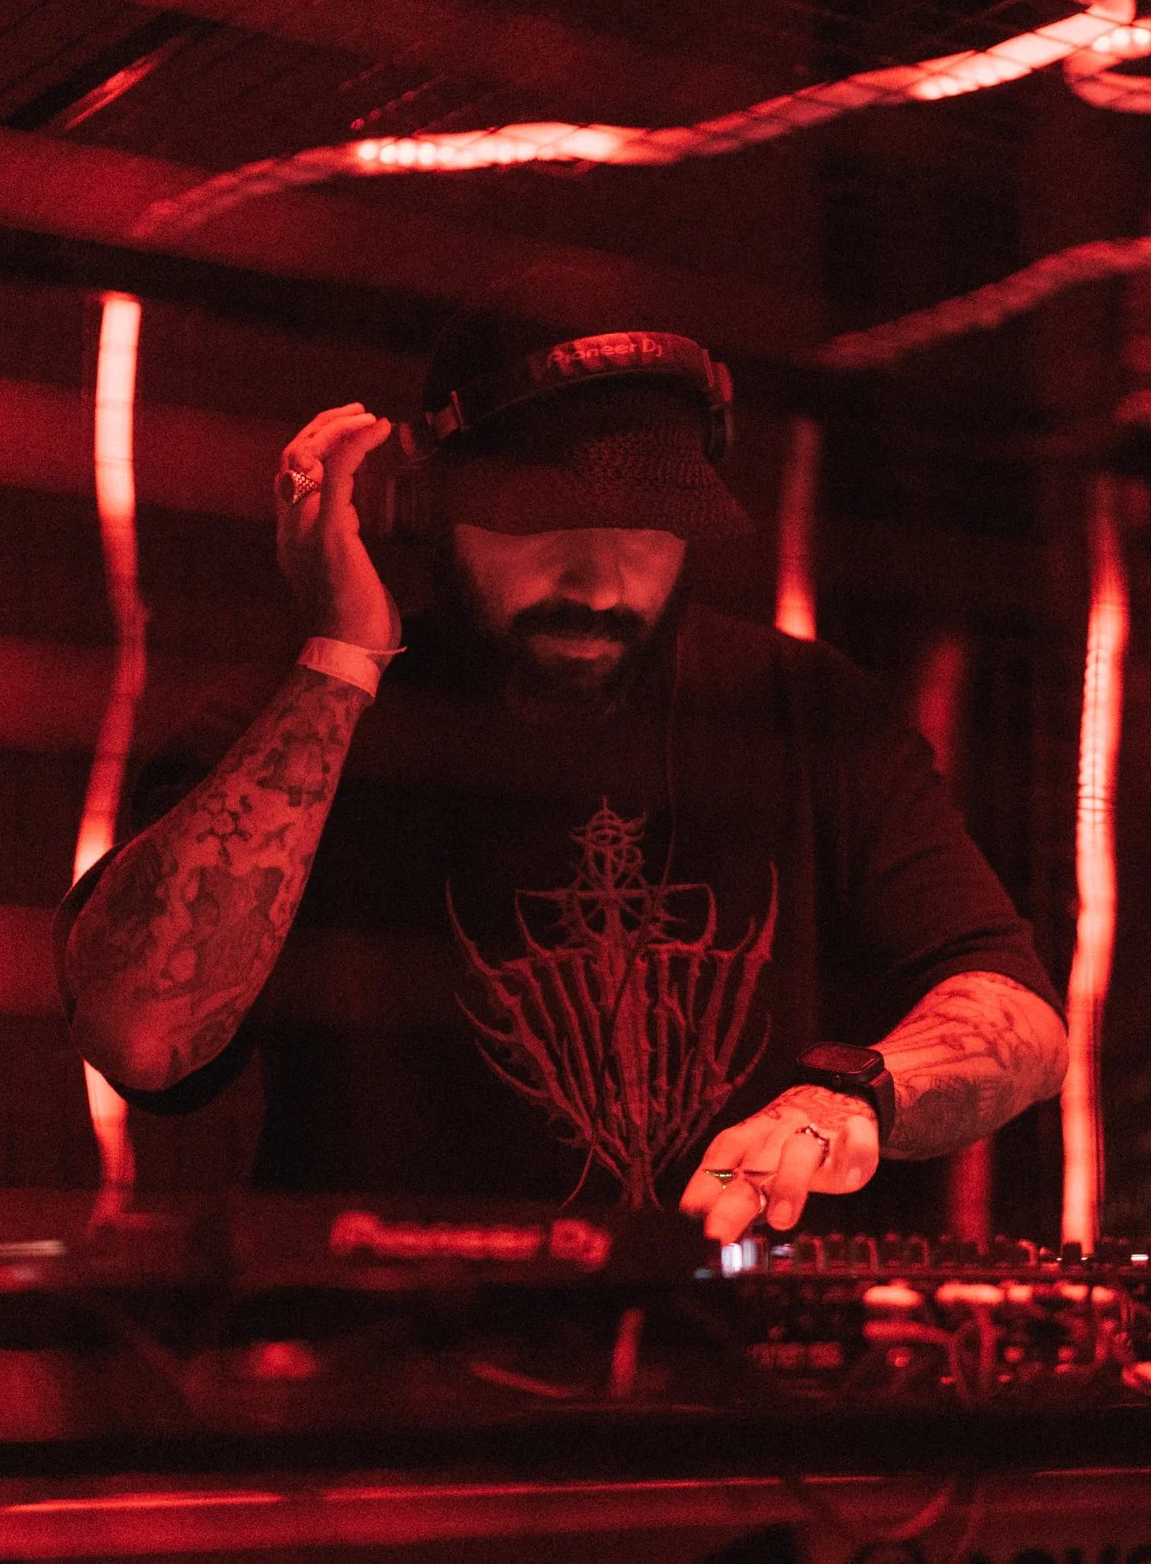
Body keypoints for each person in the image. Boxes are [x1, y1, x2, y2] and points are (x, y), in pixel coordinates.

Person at [59, 303, 1069, 1243]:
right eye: (540, 518)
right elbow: (142, 1037)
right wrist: (339, 661)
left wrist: (848, 1094)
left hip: (725, 1380)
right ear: (427, 502)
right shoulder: (291, 730)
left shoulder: (811, 711)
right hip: (393, 1378)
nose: (598, 583)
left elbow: (1021, 1017)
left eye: (645, 526)